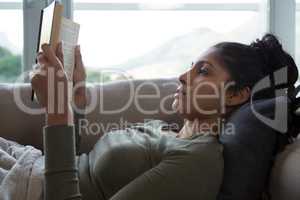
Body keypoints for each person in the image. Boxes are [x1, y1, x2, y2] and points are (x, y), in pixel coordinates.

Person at [28, 33, 298, 200]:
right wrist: (76, 98)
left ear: (235, 95)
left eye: (203, 71)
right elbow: (75, 168)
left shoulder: (197, 161)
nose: (183, 76)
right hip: (24, 164)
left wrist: (58, 110)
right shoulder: (165, 130)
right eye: (191, 67)